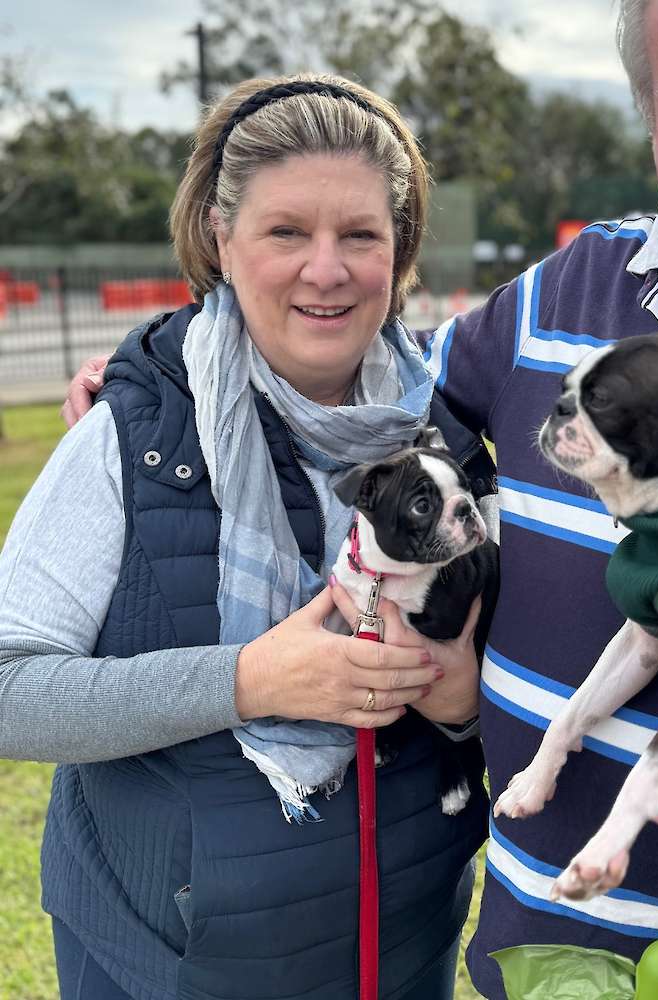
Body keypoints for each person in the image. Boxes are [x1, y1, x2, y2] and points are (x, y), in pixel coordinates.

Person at [61, 1, 658, 997]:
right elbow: (355, 379)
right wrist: (161, 376)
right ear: (649, 113)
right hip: (541, 961)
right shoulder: (566, 287)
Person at [0, 74, 495, 1000]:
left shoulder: (454, 437)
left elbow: (535, 683)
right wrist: (248, 681)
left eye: (360, 234)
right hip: (164, 963)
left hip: (402, 951)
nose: (326, 269)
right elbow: (7, 690)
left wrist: (465, 702)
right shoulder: (132, 431)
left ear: (399, 248)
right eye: (286, 232)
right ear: (221, 238)